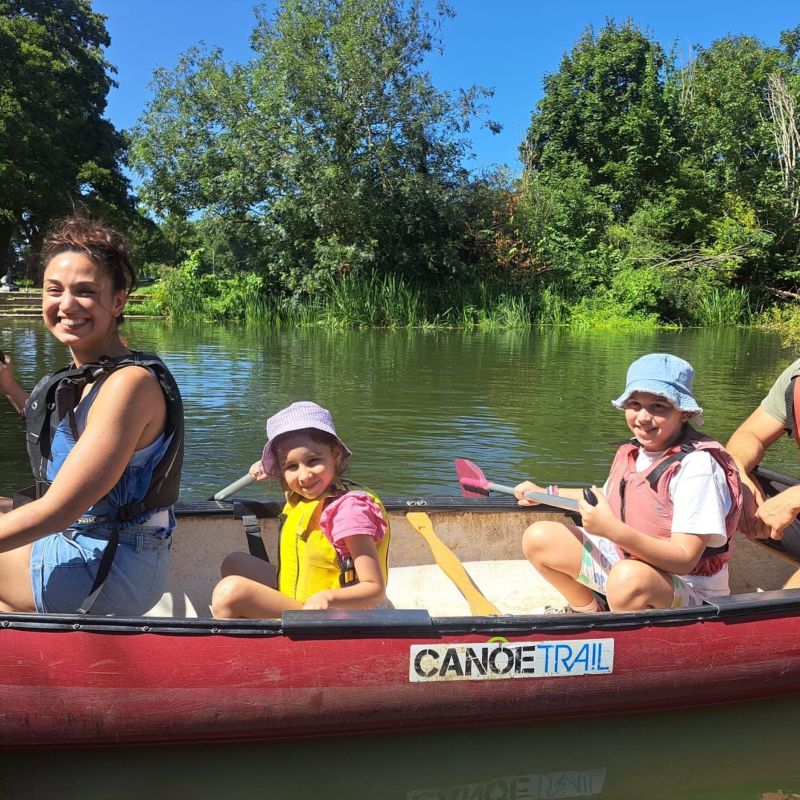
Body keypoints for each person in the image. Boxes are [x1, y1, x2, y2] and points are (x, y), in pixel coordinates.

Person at [0, 216, 183, 615]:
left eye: (85, 292)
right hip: (89, 545)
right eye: (54, 290)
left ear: (118, 301)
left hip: (107, 566)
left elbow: (59, 510)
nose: (66, 305)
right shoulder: (86, 378)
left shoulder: (128, 385)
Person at [514, 353, 742, 613]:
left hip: (687, 592)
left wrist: (613, 531)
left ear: (684, 413)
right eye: (635, 404)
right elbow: (607, 497)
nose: (643, 417)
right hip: (626, 565)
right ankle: (589, 614)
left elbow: (684, 560)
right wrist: (544, 492)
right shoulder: (636, 450)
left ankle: (622, 635)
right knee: (540, 537)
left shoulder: (698, 467)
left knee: (628, 578)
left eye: (659, 406)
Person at [211, 401, 390, 618]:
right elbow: (291, 481)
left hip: (329, 613)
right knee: (234, 563)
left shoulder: (349, 512)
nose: (304, 476)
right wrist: (270, 467)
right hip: (301, 600)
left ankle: (237, 651)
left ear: (336, 455)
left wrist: (327, 598)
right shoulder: (304, 493)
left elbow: (374, 588)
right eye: (291, 466)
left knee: (229, 593)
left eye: (313, 461)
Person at [726, 358, 800, 544]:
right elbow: (751, 435)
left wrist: (794, 498)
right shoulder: (796, 375)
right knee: (721, 489)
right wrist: (739, 474)